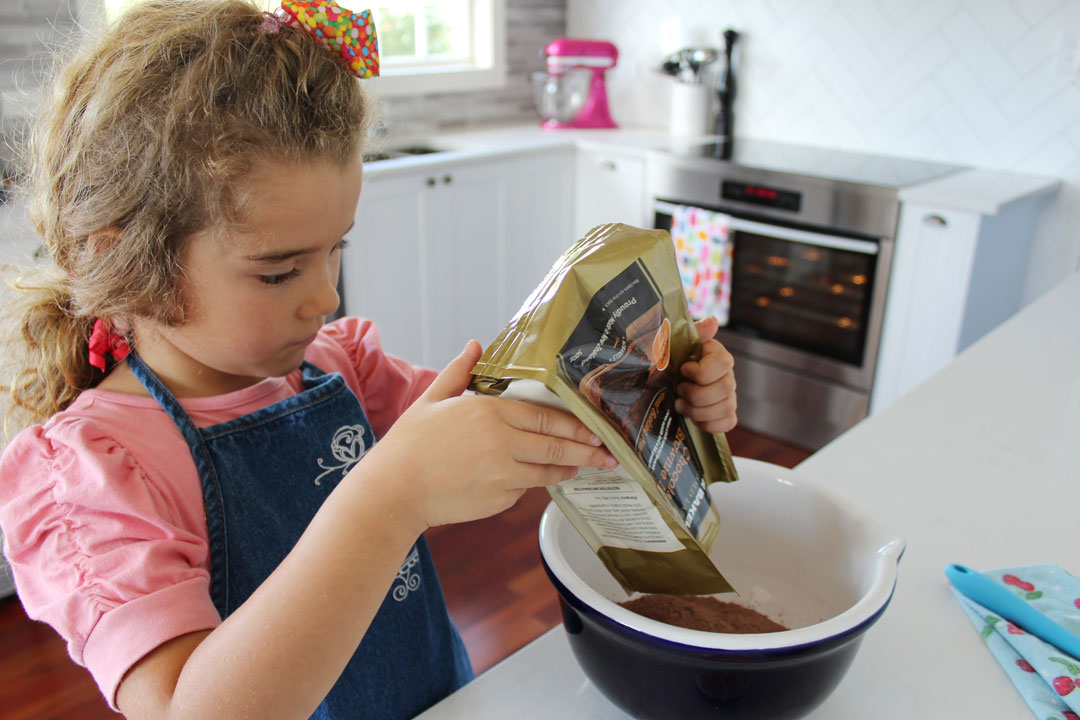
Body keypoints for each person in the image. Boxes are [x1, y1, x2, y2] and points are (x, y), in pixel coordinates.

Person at [0, 1, 739, 719]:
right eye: (278, 272)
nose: (324, 295)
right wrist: (385, 501)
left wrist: (664, 402)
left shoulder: (340, 368)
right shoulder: (89, 476)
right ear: (124, 257)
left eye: (337, 249)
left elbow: (524, 433)